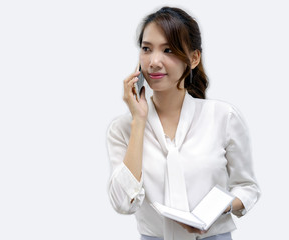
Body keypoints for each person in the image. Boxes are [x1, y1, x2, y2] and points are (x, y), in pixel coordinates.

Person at [106, 6, 260, 240]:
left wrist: (220, 208)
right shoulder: (122, 129)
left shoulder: (223, 117)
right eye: (146, 49)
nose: (154, 62)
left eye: (168, 50)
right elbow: (122, 203)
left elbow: (247, 188)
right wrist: (139, 120)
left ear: (194, 58)